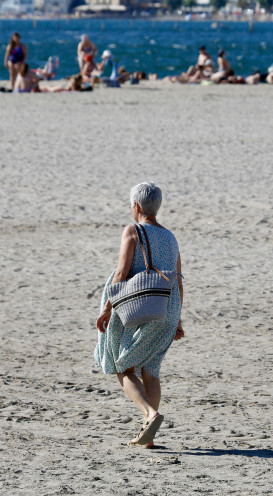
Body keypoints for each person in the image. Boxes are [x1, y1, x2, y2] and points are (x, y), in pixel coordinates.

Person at [95, 182, 184, 448]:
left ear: (136, 206)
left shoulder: (133, 230)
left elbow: (122, 273)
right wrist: (177, 318)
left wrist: (107, 309)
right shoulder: (170, 236)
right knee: (151, 368)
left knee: (122, 366)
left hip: (142, 305)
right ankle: (149, 438)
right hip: (168, 307)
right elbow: (178, 279)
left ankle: (150, 413)